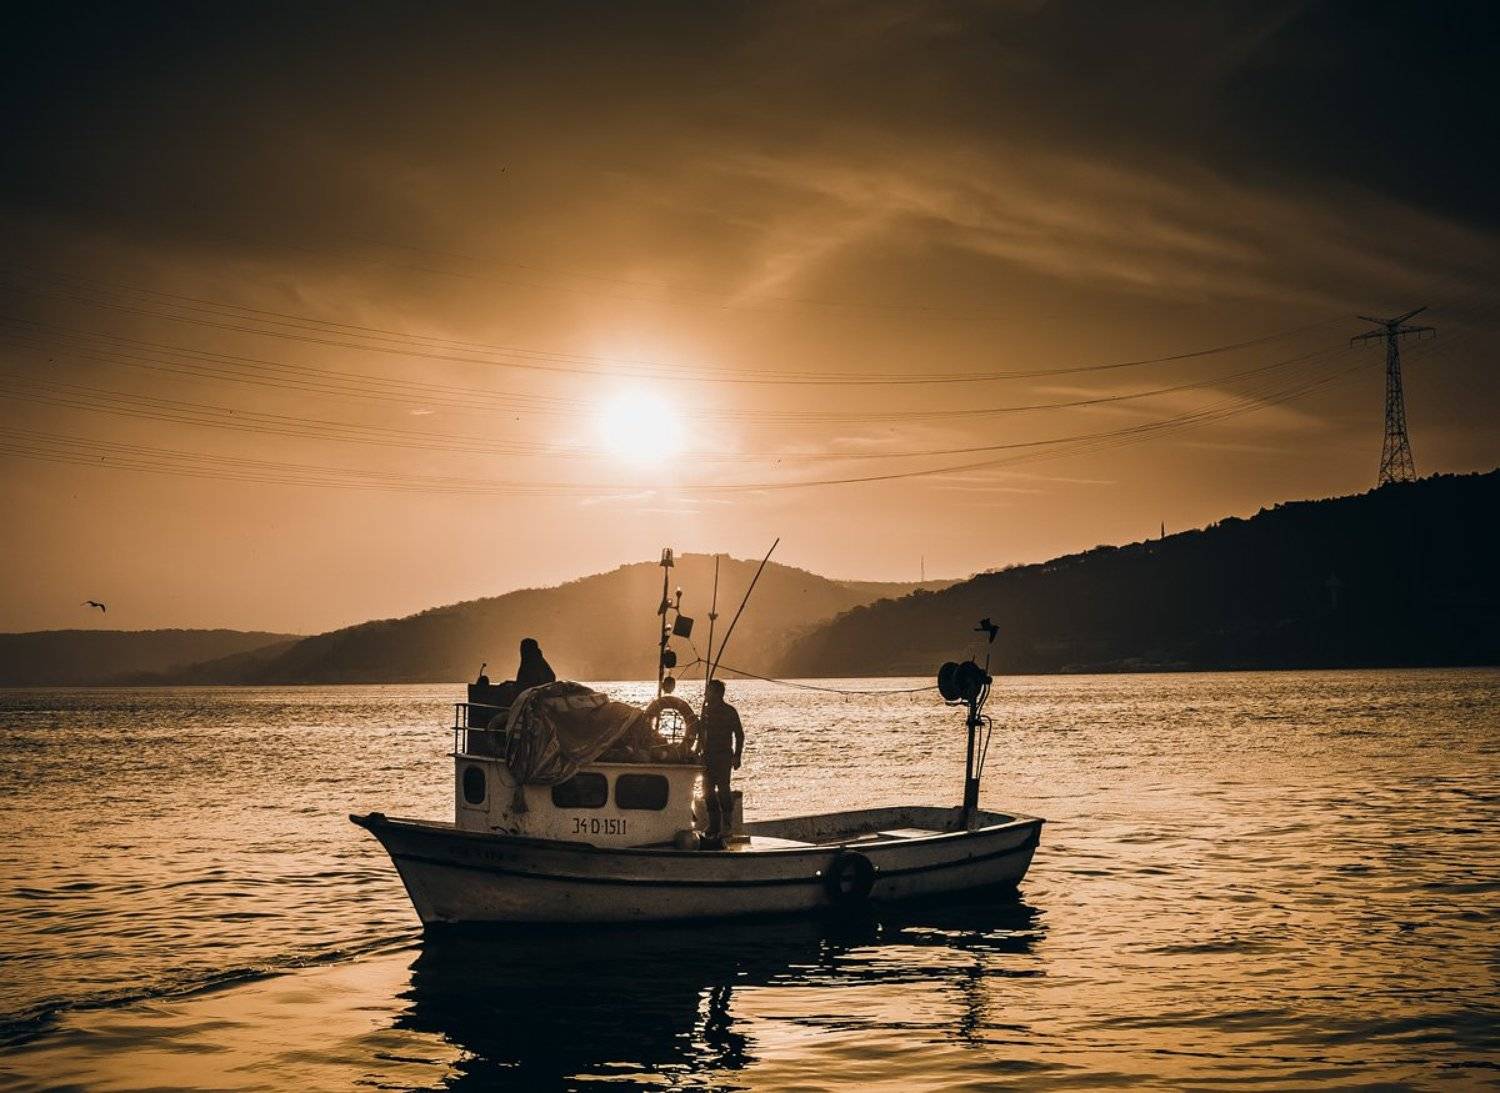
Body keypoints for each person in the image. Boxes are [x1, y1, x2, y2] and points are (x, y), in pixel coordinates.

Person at [698, 678, 744, 848]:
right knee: (707, 790)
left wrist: (737, 756)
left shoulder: (729, 711)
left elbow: (739, 734)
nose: (706, 694)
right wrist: (698, 752)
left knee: (723, 789)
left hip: (723, 757)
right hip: (707, 756)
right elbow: (700, 734)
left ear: (717, 693)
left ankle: (727, 825)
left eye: (708, 691)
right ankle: (713, 824)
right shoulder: (706, 712)